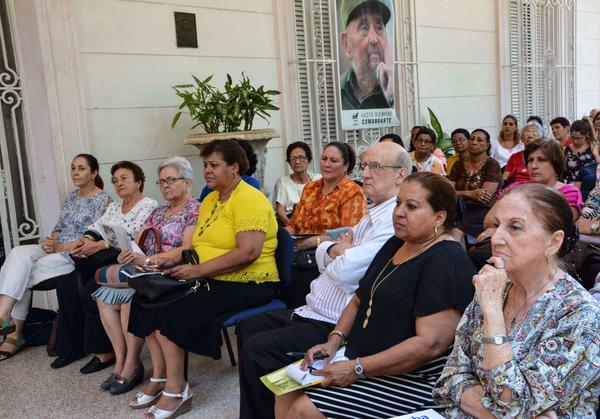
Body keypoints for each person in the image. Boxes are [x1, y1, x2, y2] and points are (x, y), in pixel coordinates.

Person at [275, 173, 476, 418]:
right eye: (398, 203)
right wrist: (333, 342)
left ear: (439, 217)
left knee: (303, 409)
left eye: (411, 206)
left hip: (416, 378)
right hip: (365, 358)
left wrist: (357, 368)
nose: (399, 212)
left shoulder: (446, 259)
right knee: (285, 389)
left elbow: (429, 346)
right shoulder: (397, 243)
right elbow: (360, 297)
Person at [237, 141, 411, 419]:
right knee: (249, 327)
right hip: (314, 306)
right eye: (365, 166)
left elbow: (346, 273)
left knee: (257, 350)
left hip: (334, 320)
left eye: (374, 167)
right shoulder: (372, 211)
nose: (365, 173)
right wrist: (334, 248)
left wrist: (333, 249)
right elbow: (335, 251)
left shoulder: (392, 218)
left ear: (401, 174)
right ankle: (270, 407)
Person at [128, 139, 280, 418]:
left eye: (214, 165)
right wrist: (167, 261)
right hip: (211, 275)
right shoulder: (210, 199)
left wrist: (197, 271)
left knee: (174, 305)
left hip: (249, 282)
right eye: (205, 165)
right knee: (146, 296)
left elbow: (248, 252)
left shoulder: (249, 198)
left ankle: (177, 391)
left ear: (234, 167)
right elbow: (196, 245)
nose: (207, 171)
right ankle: (160, 377)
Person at [433, 184, 600, 417]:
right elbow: (450, 378)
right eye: (496, 225)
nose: (497, 238)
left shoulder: (580, 314)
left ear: (553, 242)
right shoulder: (494, 286)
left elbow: (511, 401)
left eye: (515, 227)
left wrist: (492, 312)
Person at [91, 157, 200, 396]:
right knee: (104, 299)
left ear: (187, 182)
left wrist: (151, 261)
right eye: (161, 182)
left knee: (134, 296)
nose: (165, 186)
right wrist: (126, 254)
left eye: (171, 180)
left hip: (171, 270)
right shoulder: (158, 211)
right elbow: (137, 243)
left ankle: (134, 366)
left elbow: (187, 249)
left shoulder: (195, 209)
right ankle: (122, 361)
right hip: (146, 269)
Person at [0, 154, 111, 361]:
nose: (75, 173)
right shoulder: (72, 196)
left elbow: (89, 240)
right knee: (17, 254)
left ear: (94, 173)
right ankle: (4, 315)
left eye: (81, 168)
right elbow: (59, 228)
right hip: (55, 249)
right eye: (73, 168)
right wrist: (50, 241)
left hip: (72, 256)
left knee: (19, 274)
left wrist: (60, 246)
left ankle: (13, 336)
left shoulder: (103, 200)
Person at [51, 161, 158, 370]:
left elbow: (132, 234)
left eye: (124, 178)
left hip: (125, 257)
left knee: (89, 289)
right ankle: (81, 348)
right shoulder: (114, 206)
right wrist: (87, 240)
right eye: (115, 180)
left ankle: (106, 353)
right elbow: (96, 227)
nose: (119, 183)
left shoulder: (148, 204)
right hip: (104, 257)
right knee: (67, 285)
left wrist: (99, 244)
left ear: (139, 182)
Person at [286, 142, 366, 250]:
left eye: (333, 161)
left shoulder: (352, 192)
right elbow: (293, 224)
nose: (326, 164)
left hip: (329, 256)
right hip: (298, 252)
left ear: (346, 166)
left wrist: (315, 241)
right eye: (324, 158)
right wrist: (282, 237)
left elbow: (348, 234)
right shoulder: (310, 188)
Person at [448, 128, 502, 242]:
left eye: (479, 140)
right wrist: (470, 193)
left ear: (487, 145)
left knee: (458, 232)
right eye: (472, 139)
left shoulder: (492, 164)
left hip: (483, 210)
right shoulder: (458, 165)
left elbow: (484, 197)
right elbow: (448, 191)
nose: (474, 142)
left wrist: (458, 194)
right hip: (460, 208)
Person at [339, 0, 393, 109]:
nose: (374, 39)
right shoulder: (334, 92)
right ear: (346, 44)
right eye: (364, 28)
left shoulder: (399, 90)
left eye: (379, 28)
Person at [272, 142, 321, 226]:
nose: (297, 161)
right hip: (291, 220)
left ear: (308, 161)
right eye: (293, 158)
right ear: (289, 162)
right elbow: (280, 209)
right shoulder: (282, 182)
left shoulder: (318, 179)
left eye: (301, 157)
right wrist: (290, 224)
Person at [502, 121, 543, 186]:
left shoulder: (544, 156)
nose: (530, 135)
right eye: (527, 132)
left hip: (536, 188)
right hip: (514, 188)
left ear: (540, 138)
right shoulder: (514, 156)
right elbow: (504, 178)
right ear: (521, 138)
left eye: (534, 133)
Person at [563, 119, 600, 183]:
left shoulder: (593, 148)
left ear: (586, 135)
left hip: (588, 188)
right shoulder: (565, 149)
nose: (575, 141)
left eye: (579, 138)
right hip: (569, 187)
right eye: (573, 137)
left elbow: (599, 169)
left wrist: (596, 155)